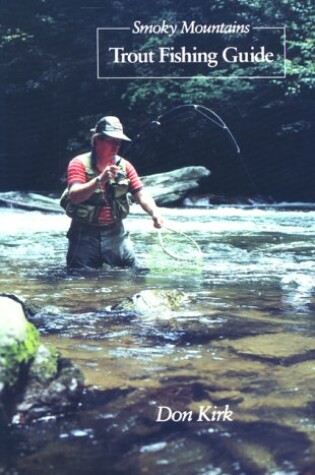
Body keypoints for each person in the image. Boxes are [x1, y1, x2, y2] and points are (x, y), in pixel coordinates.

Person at [63, 116, 163, 270]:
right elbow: (75, 196)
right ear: (97, 140)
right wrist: (100, 180)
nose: (117, 145)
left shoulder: (125, 166)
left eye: (119, 141)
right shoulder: (78, 163)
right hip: (84, 236)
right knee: (79, 280)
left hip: (116, 234)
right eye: (112, 140)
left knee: (136, 274)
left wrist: (154, 212)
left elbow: (140, 193)